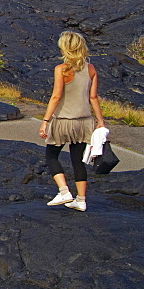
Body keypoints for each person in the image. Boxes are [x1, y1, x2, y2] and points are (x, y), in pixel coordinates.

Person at [38, 31, 104, 211]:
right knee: (78, 160)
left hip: (63, 121)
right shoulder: (91, 69)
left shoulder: (62, 69)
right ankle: (81, 200)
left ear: (65, 48)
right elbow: (93, 98)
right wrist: (100, 121)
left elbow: (56, 96)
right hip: (84, 122)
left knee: (51, 155)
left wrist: (45, 121)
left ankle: (64, 191)